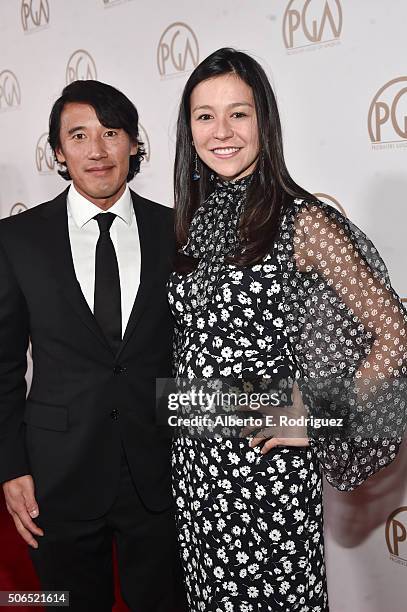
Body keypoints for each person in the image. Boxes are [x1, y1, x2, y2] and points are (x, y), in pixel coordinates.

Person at [168, 48, 407, 611]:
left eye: (238, 113)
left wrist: (321, 413)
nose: (221, 131)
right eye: (205, 116)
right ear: (189, 130)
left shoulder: (301, 219)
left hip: (263, 477)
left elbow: (394, 334)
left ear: (264, 123)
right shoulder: (196, 218)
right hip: (197, 469)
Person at [0, 80, 184, 611]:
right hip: (57, 473)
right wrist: (11, 468)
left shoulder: (178, 230)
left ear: (133, 143)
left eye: (111, 133)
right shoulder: (17, 240)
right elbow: (4, 366)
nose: (97, 151)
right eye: (78, 135)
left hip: (161, 468)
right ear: (58, 151)